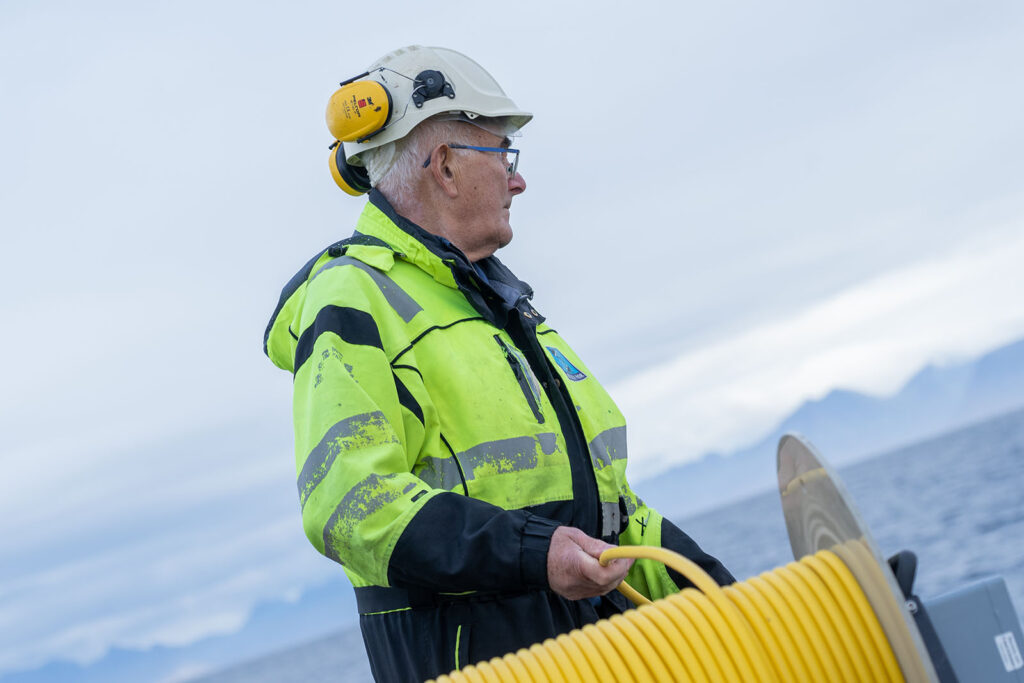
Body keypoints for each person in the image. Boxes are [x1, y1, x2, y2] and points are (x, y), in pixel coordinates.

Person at [264, 45, 734, 682]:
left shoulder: (501, 306)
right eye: (503, 155)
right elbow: (352, 505)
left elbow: (614, 519)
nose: (518, 181)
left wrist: (735, 606)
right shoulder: (353, 296)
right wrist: (536, 553)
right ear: (446, 166)